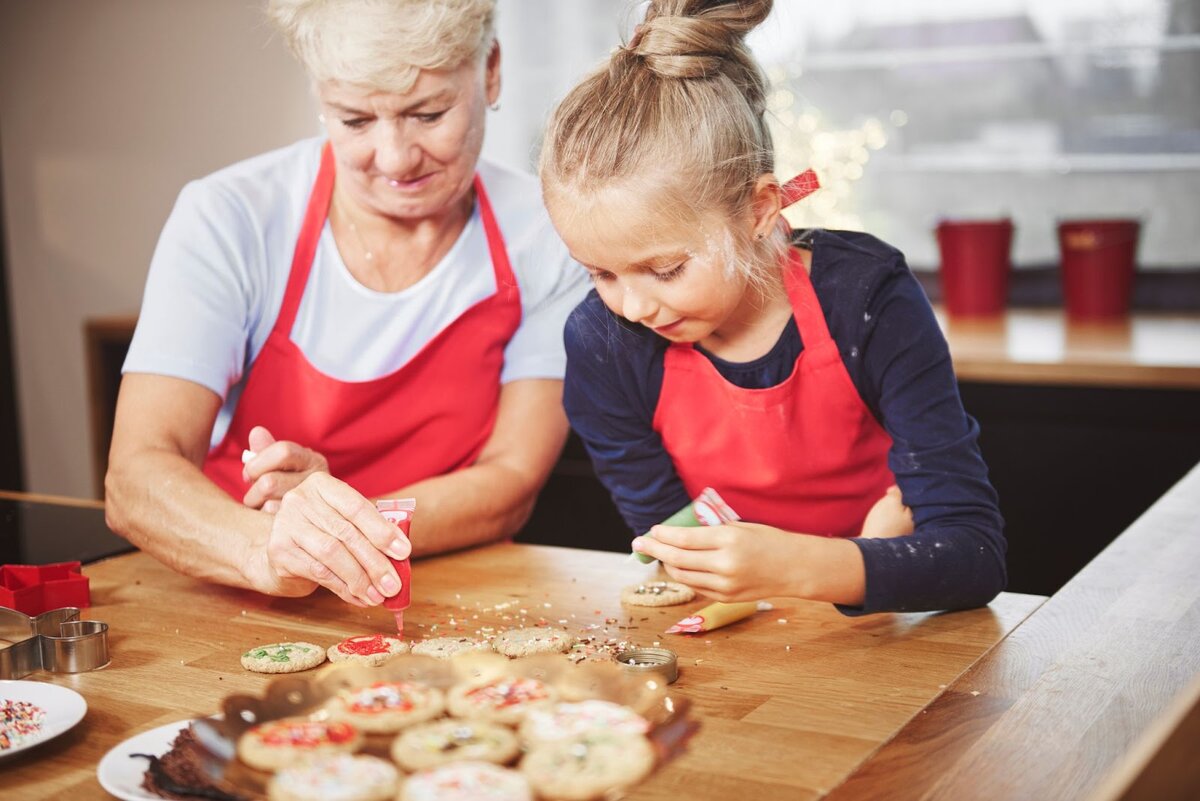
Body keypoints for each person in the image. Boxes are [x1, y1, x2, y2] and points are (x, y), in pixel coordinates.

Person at [105, 0, 588, 609]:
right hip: (236, 586)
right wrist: (269, 547)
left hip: (448, 592)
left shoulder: (547, 236)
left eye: (429, 113)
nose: (395, 157)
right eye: (355, 121)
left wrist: (345, 524)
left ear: (490, 70)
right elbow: (136, 475)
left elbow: (511, 481)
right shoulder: (231, 219)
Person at [538, 0, 1006, 614]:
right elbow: (675, 543)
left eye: (666, 269)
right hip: (753, 625)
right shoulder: (604, 343)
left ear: (759, 209)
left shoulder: (868, 301)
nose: (631, 306)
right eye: (599, 272)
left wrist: (818, 566)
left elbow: (973, 555)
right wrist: (712, 567)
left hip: (888, 620)